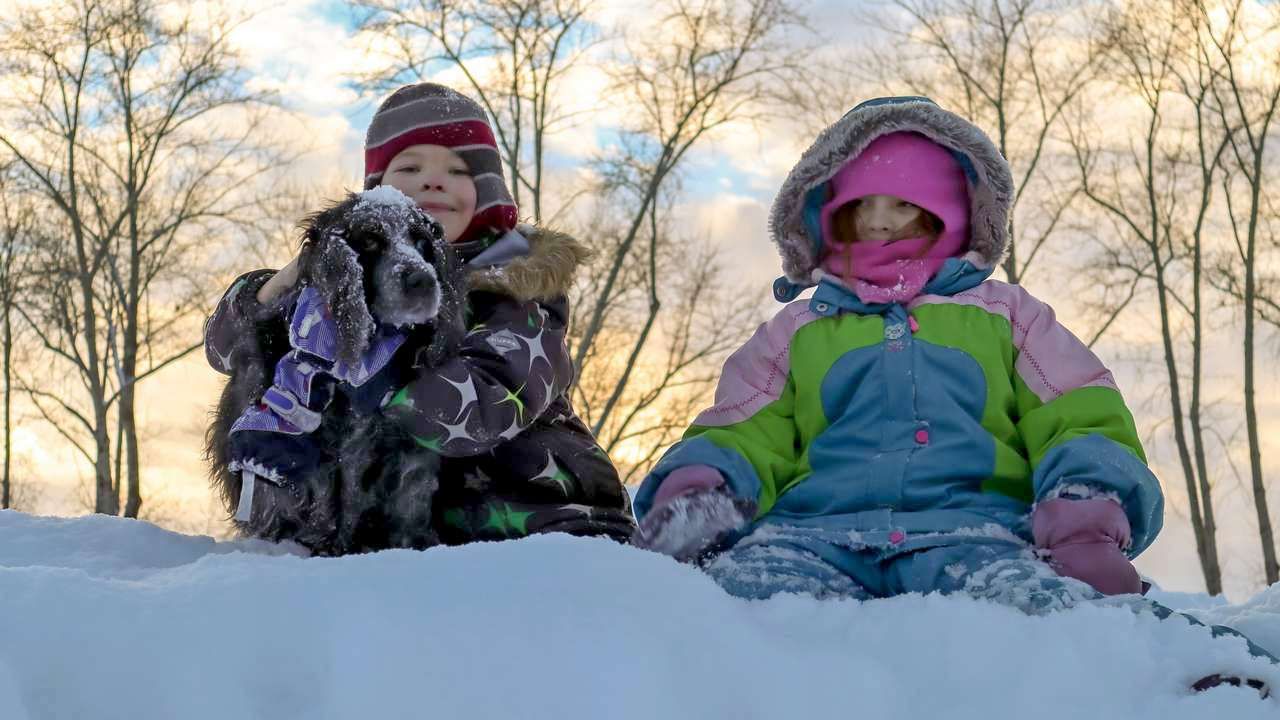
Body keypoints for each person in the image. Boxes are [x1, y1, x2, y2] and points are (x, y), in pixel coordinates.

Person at [631, 95, 1276, 695]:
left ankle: (1189, 675)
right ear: (826, 217)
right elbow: (745, 424)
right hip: (810, 537)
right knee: (732, 604)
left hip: (977, 534)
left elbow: (1076, 411)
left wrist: (1084, 513)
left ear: (949, 211)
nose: (878, 223)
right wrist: (703, 485)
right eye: (860, 207)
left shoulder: (1007, 318)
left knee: (1066, 614)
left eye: (901, 205)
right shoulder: (796, 332)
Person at [205, 82, 635, 546]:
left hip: (549, 524)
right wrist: (290, 281)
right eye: (410, 167)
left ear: (487, 192)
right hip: (424, 538)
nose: (433, 181)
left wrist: (379, 376)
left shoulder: (520, 298)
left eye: (457, 170)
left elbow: (485, 409)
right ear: (377, 193)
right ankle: (293, 520)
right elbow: (225, 349)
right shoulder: (349, 286)